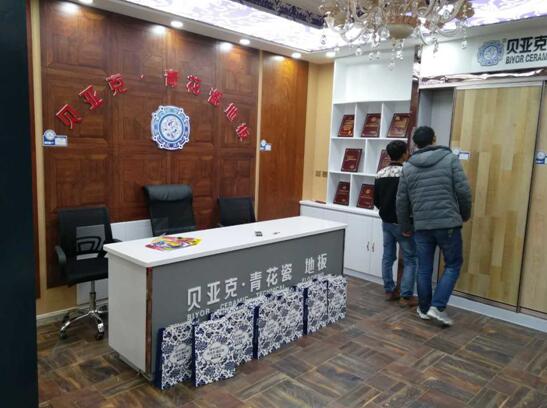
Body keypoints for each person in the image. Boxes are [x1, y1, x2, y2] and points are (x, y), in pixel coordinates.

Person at [396, 126, 472, 327]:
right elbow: (463, 191)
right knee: (453, 264)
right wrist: (464, 215)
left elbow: (401, 201)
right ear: (434, 138)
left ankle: (423, 309)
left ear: (415, 143)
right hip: (448, 224)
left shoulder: (408, 167)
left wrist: (405, 226)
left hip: (421, 226)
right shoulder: (449, 159)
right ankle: (437, 307)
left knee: (424, 268)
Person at [374, 140, 418, 308]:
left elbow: (376, 200)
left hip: (386, 222)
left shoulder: (380, 173)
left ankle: (389, 290)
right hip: (403, 223)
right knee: (411, 259)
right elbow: (412, 200)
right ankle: (406, 295)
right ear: (404, 154)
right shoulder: (408, 173)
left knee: (387, 257)